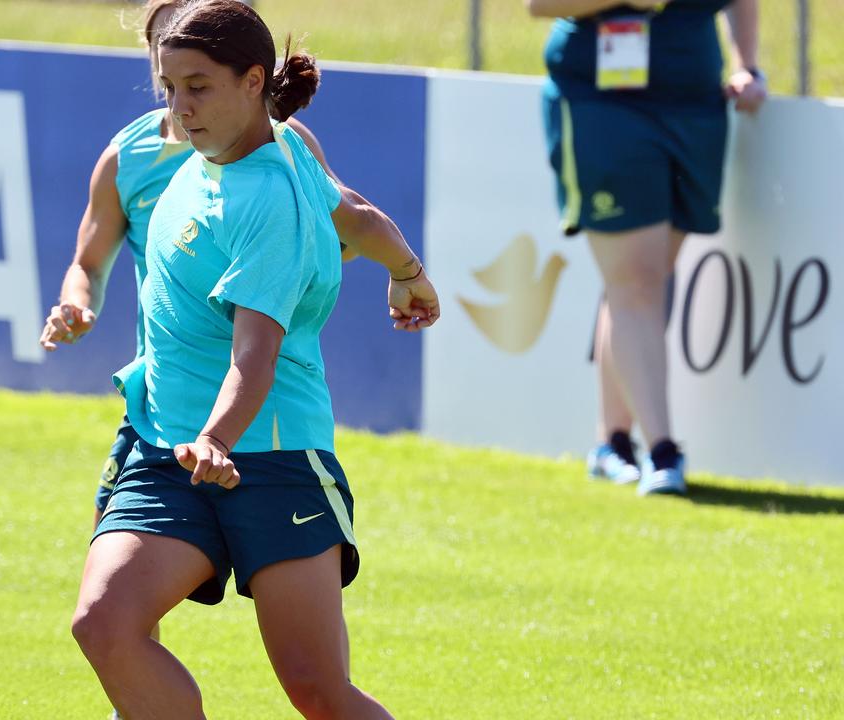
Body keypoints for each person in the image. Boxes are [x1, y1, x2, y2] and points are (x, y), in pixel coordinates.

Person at [68, 1, 439, 717]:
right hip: (168, 451)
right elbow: (355, 213)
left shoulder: (267, 193)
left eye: (198, 87)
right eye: (168, 87)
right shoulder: (226, 156)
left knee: (317, 691)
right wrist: (408, 272)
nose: (178, 108)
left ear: (252, 81)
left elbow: (255, 355)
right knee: (104, 624)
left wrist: (215, 438)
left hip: (269, 457)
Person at [527, 0, 766, 495]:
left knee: (639, 282)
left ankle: (612, 443)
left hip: (695, 103)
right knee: (635, 279)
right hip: (601, 102)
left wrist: (747, 64)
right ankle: (663, 452)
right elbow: (539, 4)